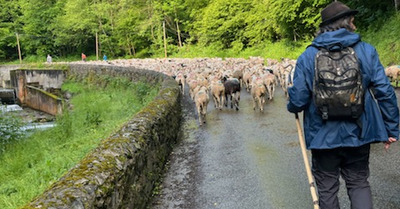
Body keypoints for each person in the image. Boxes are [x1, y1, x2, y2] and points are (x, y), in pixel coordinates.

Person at [287, 1, 399, 209]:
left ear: (324, 26)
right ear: (347, 23)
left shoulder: (308, 56)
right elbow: (384, 91)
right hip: (360, 132)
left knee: (327, 187)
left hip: (322, 137)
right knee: (358, 183)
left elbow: (298, 100)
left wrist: (291, 103)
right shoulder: (366, 51)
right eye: (352, 19)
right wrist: (391, 128)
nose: (354, 22)